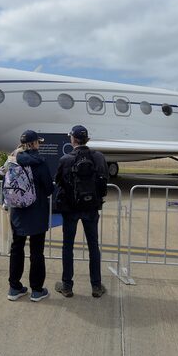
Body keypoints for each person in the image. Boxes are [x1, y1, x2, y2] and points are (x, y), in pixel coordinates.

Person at [54, 125, 109, 298]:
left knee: (68, 246)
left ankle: (67, 285)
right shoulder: (98, 157)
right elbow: (104, 181)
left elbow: (59, 182)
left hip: (71, 209)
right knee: (93, 246)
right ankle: (96, 286)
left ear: (73, 139)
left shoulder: (65, 159)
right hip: (91, 208)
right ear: (87, 139)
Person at [6, 130, 54, 302]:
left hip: (18, 212)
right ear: (34, 144)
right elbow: (49, 188)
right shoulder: (40, 163)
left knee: (16, 248)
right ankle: (37, 290)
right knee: (37, 252)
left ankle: (14, 288)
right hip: (37, 213)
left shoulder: (13, 160)